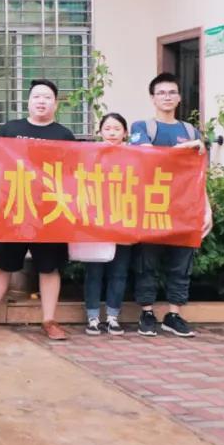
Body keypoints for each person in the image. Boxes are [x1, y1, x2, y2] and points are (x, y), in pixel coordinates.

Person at [0, 79, 76, 341]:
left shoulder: (65, 135)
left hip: (49, 214)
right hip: (14, 211)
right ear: (28, 101)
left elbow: (71, 175)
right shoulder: (11, 129)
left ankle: (49, 320)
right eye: (36, 97)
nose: (41, 101)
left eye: (47, 97)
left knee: (49, 268)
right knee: (3, 265)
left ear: (55, 103)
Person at [128, 72, 213, 338]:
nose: (167, 97)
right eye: (161, 93)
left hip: (185, 208)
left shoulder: (190, 131)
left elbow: (199, 175)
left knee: (181, 263)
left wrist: (207, 208)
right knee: (147, 261)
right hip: (151, 205)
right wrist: (187, 148)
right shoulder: (142, 127)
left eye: (172, 92)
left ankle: (174, 314)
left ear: (179, 98)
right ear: (153, 98)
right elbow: (147, 157)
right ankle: (147, 312)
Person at [81, 112, 134, 337]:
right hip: (97, 222)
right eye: (108, 128)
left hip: (124, 220)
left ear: (125, 133)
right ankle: (93, 317)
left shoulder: (135, 156)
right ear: (100, 132)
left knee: (119, 272)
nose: (112, 133)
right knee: (94, 271)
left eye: (117, 129)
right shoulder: (90, 155)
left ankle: (113, 317)